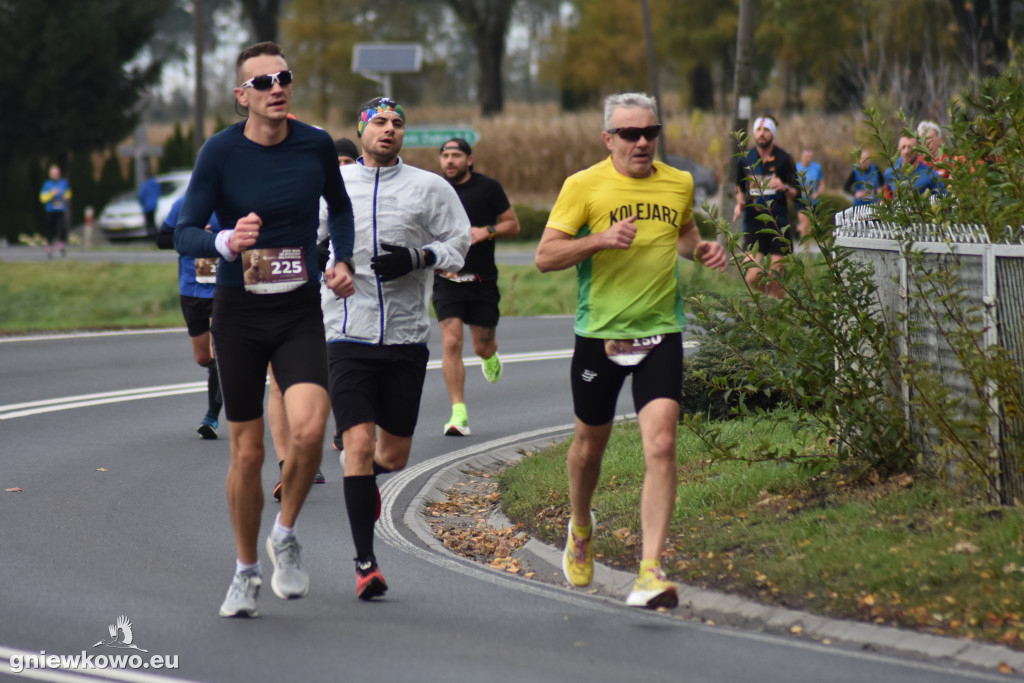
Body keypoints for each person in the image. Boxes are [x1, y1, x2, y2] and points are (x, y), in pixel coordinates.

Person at [173, 41, 356, 618]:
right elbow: (184, 231)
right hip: (240, 311)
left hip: (299, 307)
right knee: (248, 454)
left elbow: (341, 207)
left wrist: (342, 258)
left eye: (285, 77)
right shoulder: (220, 153)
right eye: (264, 81)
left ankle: (286, 532)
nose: (277, 87)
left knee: (308, 432)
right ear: (242, 96)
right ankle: (245, 570)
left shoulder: (316, 144)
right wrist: (224, 241)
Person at [534, 92, 728, 609]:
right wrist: (598, 240)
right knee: (587, 447)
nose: (642, 142)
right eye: (630, 134)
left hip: (660, 331)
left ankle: (649, 571)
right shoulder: (583, 186)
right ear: (608, 139)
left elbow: (683, 234)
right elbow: (545, 257)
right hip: (601, 335)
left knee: (662, 444)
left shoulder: (678, 182)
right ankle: (580, 525)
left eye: (650, 133)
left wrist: (702, 249)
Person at [320, 97, 470, 600]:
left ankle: (362, 488)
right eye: (379, 122)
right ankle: (366, 563)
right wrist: (327, 263)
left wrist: (419, 256)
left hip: (406, 338)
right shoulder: (333, 185)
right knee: (357, 446)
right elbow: (306, 239)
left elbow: (461, 241)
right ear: (361, 130)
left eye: (398, 123)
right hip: (347, 334)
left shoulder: (430, 187)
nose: (389, 130)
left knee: (395, 455)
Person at [270, 135, 360, 501]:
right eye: (334, 163)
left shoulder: (365, 198)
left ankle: (338, 430)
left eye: (346, 163)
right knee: (280, 383)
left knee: (330, 373)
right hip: (296, 297)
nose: (339, 170)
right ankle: (288, 465)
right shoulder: (303, 195)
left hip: (348, 302)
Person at [434, 137, 520, 436]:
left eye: (456, 155)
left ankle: (490, 355)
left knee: (482, 346)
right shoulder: (435, 189)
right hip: (447, 280)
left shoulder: (488, 188)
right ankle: (458, 413)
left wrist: (488, 231)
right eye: (445, 155)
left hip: (482, 281)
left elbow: (513, 224)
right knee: (451, 342)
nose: (449, 161)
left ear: (469, 160)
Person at [156, 196, 222, 438]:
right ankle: (225, 378)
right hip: (192, 289)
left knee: (220, 351)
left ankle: (211, 417)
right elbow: (161, 240)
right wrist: (190, 236)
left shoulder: (235, 200)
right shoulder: (184, 204)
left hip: (224, 289)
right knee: (203, 356)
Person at [732, 115, 799, 299]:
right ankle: (778, 301)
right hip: (754, 224)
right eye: (759, 130)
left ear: (773, 134)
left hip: (779, 224)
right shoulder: (745, 159)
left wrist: (784, 187)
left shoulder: (784, 159)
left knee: (775, 278)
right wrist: (739, 203)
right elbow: (739, 186)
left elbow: (798, 193)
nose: (762, 134)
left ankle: (778, 314)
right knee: (752, 277)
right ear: (754, 133)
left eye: (766, 130)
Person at [882, 134, 944, 201]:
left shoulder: (931, 175)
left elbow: (943, 201)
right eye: (903, 147)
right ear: (898, 150)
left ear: (918, 150)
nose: (906, 151)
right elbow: (886, 201)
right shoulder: (890, 173)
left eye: (910, 148)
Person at [39, 165, 71, 259]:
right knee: (51, 230)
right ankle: (49, 248)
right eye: (54, 173)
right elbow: (42, 198)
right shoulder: (47, 184)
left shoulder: (63, 183)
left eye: (57, 173)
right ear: (50, 174)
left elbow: (68, 192)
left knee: (63, 228)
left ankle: (61, 246)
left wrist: (66, 196)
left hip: (60, 210)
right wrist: (51, 194)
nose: (56, 175)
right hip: (51, 211)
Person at [794, 148, 824, 238]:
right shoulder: (796, 167)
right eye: (806, 156)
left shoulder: (817, 168)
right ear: (801, 156)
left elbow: (822, 183)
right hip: (801, 201)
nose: (808, 159)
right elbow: (791, 184)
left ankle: (799, 227)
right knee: (805, 224)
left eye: (810, 157)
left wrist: (817, 193)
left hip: (814, 201)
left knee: (812, 227)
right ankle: (806, 251)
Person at [139, 170, 161, 238]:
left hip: (147, 206)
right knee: (153, 221)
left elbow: (141, 196)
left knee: (148, 222)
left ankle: (150, 236)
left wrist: (142, 203)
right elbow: (159, 193)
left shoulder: (145, 185)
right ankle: (156, 234)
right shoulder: (155, 184)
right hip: (154, 205)